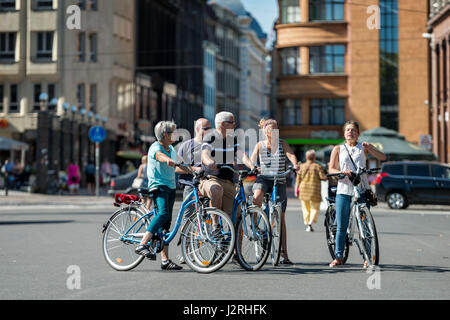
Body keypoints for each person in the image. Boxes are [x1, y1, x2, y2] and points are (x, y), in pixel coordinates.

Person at [328, 121, 386, 268]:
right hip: (344, 189)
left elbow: (383, 157)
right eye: (348, 130)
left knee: (365, 226)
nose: (350, 132)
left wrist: (370, 147)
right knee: (342, 226)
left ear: (358, 133)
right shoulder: (338, 149)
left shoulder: (363, 148)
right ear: (344, 133)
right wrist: (342, 172)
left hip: (361, 189)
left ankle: (367, 257)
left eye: (353, 130)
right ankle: (338, 256)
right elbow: (331, 169)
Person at [134, 120, 183, 271]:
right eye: (173, 132)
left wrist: (194, 170)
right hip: (159, 186)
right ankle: (142, 244)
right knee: (162, 214)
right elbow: (159, 156)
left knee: (166, 224)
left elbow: (178, 166)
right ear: (164, 134)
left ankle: (165, 260)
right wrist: (168, 160)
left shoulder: (171, 149)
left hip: (171, 186)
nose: (175, 135)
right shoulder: (156, 147)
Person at [250, 118, 299, 265]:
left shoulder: (283, 143)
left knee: (281, 216)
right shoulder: (260, 145)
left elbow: (291, 156)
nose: (273, 131)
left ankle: (284, 254)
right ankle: (255, 224)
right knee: (257, 196)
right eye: (270, 129)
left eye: (275, 128)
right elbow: (252, 159)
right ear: (265, 131)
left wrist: (295, 165)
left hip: (279, 180)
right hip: (263, 178)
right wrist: (253, 166)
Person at [200, 112, 254, 219]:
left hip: (228, 181)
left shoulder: (232, 139)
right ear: (223, 124)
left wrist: (252, 166)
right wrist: (209, 162)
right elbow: (204, 154)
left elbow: (241, 155)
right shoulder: (210, 137)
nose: (234, 125)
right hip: (210, 179)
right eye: (232, 122)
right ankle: (216, 227)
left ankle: (235, 235)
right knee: (216, 189)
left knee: (237, 213)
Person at [178, 118, 211, 212]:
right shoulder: (186, 146)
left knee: (209, 215)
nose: (209, 131)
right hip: (191, 184)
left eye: (210, 129)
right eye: (205, 129)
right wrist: (194, 169)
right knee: (188, 215)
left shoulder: (214, 145)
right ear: (197, 129)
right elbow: (176, 168)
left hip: (208, 183)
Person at [295, 150, 327, 232]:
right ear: (314, 157)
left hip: (303, 190)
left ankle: (307, 223)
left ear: (306, 157)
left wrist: (296, 190)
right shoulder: (317, 166)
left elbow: (298, 180)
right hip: (314, 190)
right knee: (315, 208)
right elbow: (323, 177)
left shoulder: (302, 166)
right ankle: (311, 222)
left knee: (305, 208)